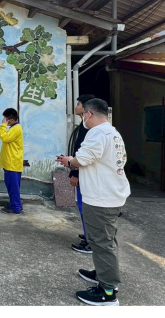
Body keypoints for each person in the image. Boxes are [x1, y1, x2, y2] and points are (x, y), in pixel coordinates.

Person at [57, 98, 130, 306]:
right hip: (111, 194)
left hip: (101, 198)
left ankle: (107, 291)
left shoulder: (96, 133)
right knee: (106, 240)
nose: (82, 119)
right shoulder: (113, 133)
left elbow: (81, 160)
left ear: (89, 114)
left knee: (101, 242)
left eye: (83, 115)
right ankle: (102, 274)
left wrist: (69, 161)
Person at [68, 94, 95, 254]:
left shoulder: (88, 128)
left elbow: (83, 154)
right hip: (82, 172)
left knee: (86, 207)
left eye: (78, 104)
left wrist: (75, 173)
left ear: (86, 108)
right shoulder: (84, 126)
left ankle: (91, 241)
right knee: (83, 206)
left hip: (83, 174)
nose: (75, 106)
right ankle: (88, 235)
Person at [0, 108, 24, 214]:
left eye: (6, 119)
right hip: (12, 162)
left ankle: (16, 207)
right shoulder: (14, 128)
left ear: (11, 120)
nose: (4, 120)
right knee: (13, 186)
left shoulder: (16, 128)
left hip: (12, 163)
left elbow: (4, 138)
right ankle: (15, 204)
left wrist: (3, 126)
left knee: (13, 187)